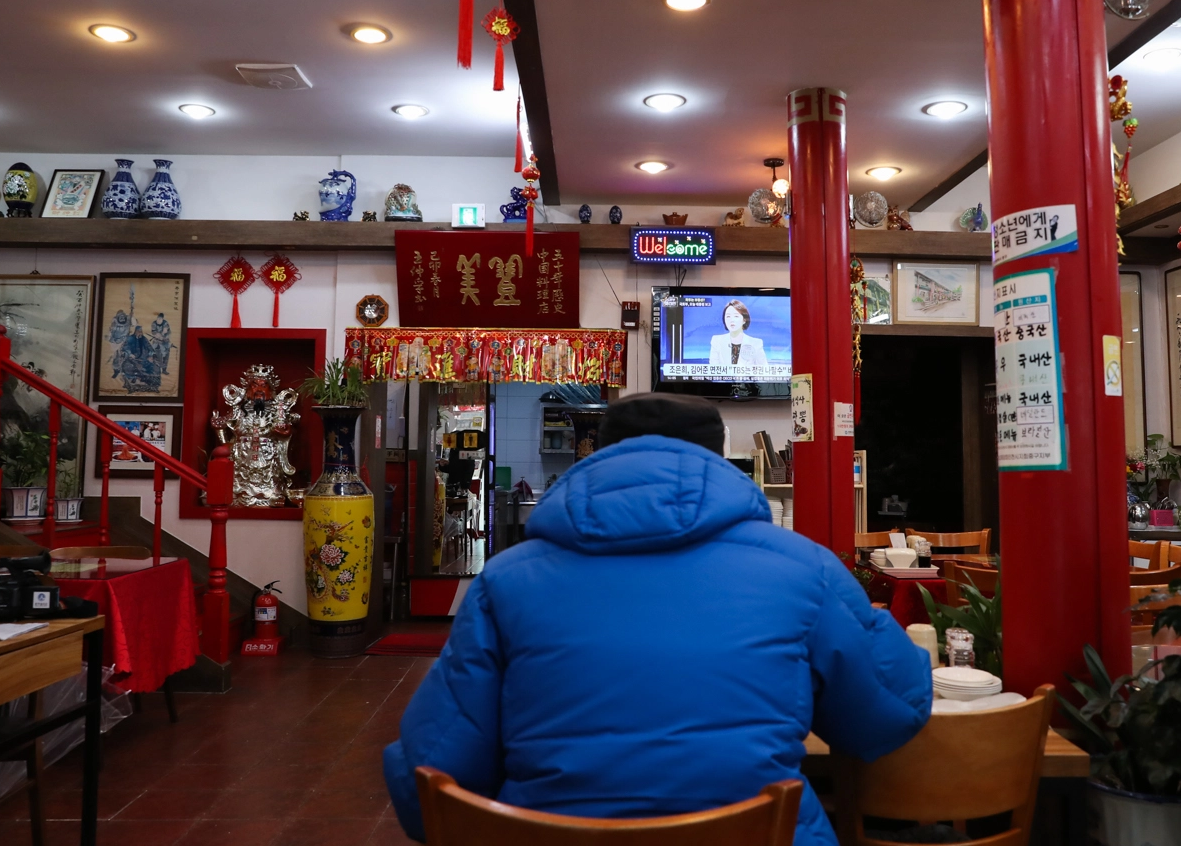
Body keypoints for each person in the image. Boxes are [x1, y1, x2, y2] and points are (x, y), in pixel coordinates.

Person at [382, 393, 931, 846]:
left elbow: (424, 780)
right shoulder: (802, 568)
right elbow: (889, 714)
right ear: (720, 460)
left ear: (598, 454)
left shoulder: (506, 579)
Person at [707, 299, 768, 366]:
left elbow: (764, 370)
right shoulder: (717, 341)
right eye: (728, 316)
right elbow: (713, 370)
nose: (731, 320)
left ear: (744, 320)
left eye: (736, 316)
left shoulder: (756, 343)